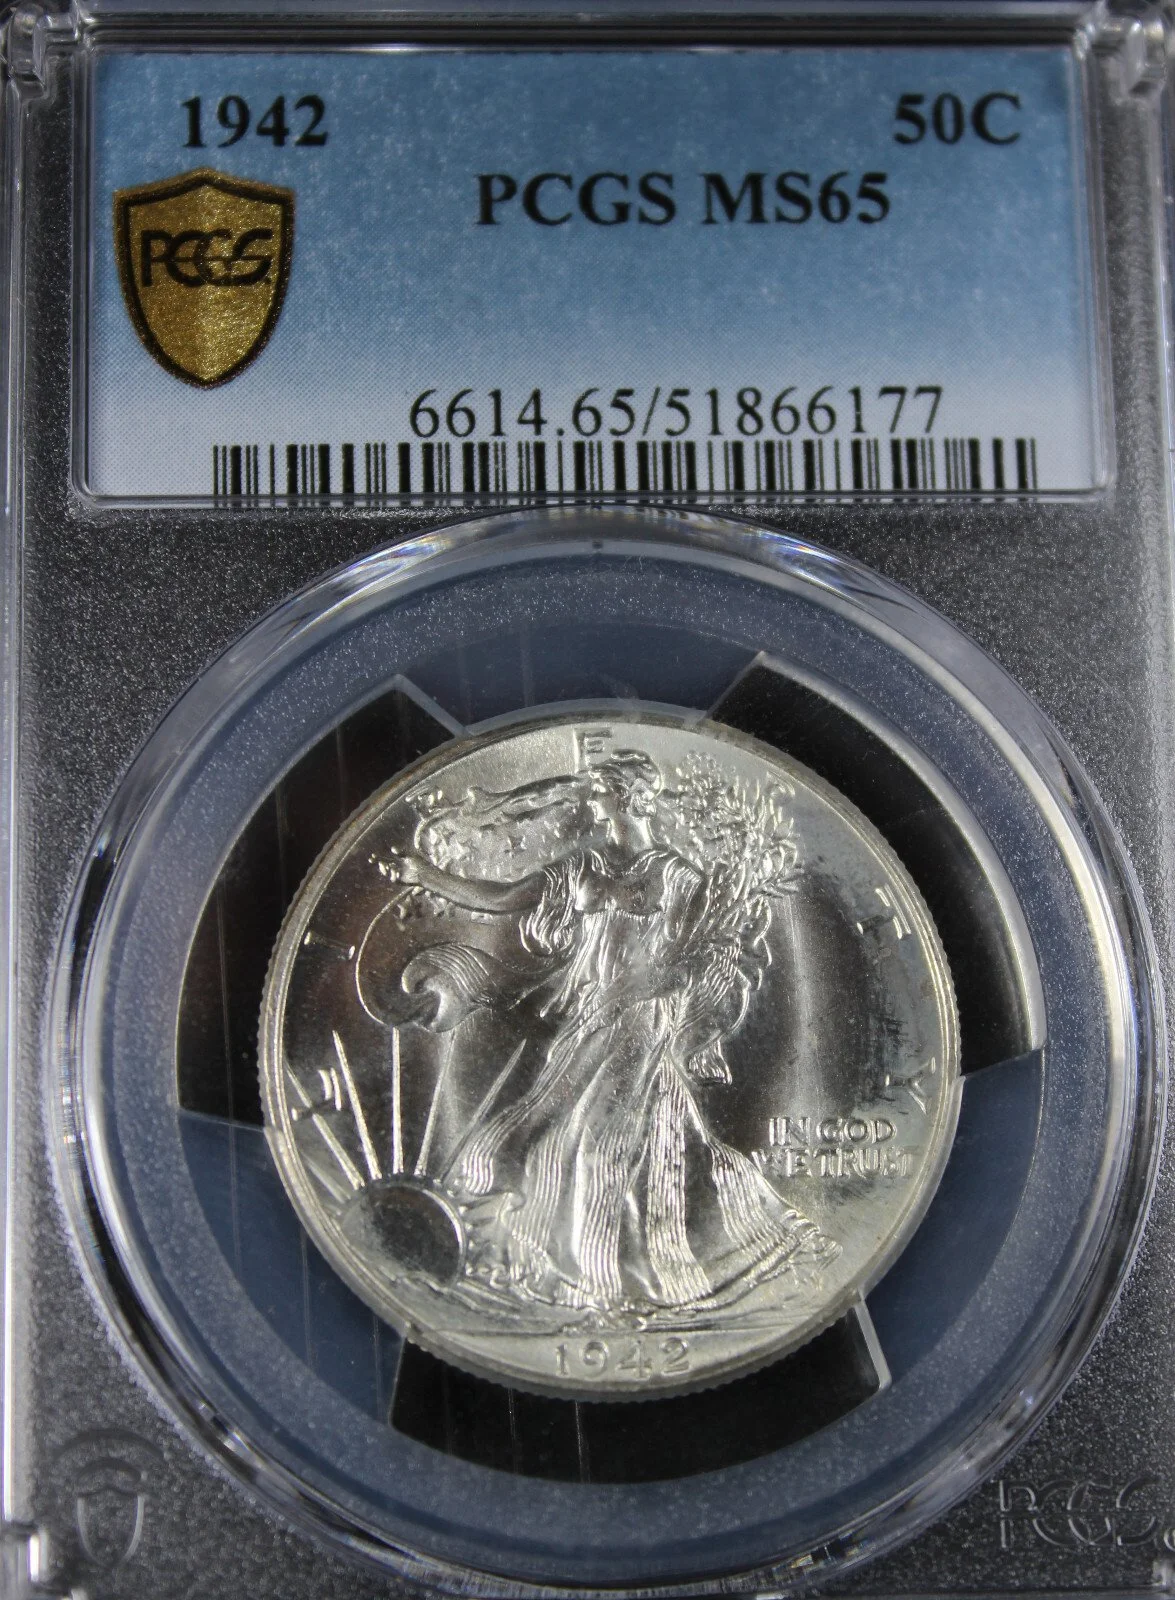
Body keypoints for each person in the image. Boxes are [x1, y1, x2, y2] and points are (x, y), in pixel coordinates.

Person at [377, 748, 836, 1317]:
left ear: (629, 797)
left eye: (600, 791)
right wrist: (424, 875)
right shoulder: (581, 867)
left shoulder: (678, 876)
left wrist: (639, 991)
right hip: (592, 1017)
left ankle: (606, 1280)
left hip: (643, 1020)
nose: (592, 801)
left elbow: (697, 962)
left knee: (602, 1138)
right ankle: (566, 1267)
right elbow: (502, 899)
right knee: (555, 1129)